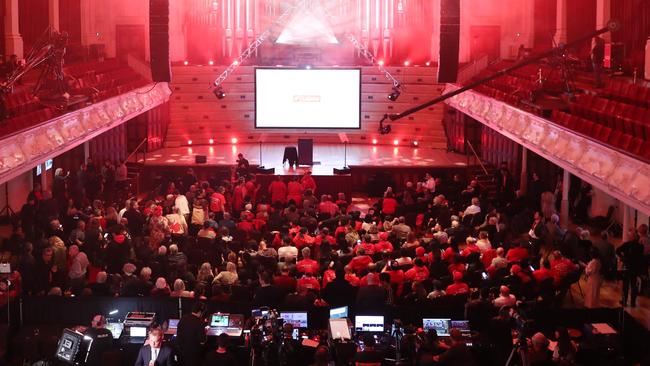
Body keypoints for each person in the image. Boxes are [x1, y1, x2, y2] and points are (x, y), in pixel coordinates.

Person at [616, 231, 644, 307]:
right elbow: (641, 258)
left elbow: (617, 250)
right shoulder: (640, 246)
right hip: (635, 268)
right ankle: (633, 303)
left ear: (631, 237)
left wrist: (623, 258)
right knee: (634, 285)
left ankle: (624, 302)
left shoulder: (627, 244)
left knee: (626, 285)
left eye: (629, 236)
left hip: (627, 267)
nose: (628, 237)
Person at [177, 302, 207, 366]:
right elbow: (202, 341)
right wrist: (205, 332)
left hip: (181, 352)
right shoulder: (200, 322)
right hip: (193, 355)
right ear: (200, 312)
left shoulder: (183, 318)